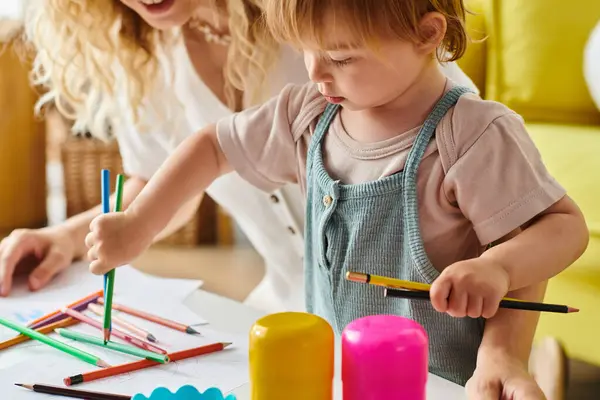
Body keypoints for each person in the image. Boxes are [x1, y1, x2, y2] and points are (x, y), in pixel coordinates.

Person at [84, 0, 589, 395]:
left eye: (341, 57)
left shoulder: (473, 134)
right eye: (305, 50)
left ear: (427, 34)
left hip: (444, 385)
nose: (316, 73)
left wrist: (499, 267)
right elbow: (214, 146)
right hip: (340, 377)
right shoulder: (309, 114)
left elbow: (563, 226)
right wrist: (139, 225)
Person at [0, 0, 474, 315]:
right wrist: (64, 238)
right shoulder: (145, 53)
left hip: (422, 322)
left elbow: (485, 176)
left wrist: (502, 348)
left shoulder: (321, 14)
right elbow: (160, 191)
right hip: (288, 308)